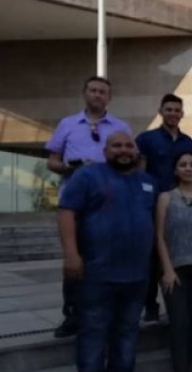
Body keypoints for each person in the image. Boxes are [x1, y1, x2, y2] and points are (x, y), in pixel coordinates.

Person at [58, 131, 156, 371]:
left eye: (128, 146)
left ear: (136, 151)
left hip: (136, 278)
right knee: (93, 337)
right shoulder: (87, 176)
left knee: (127, 339)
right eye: (117, 146)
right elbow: (66, 212)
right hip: (96, 276)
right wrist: (71, 254)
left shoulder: (148, 182)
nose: (123, 150)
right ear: (105, 151)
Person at [45, 76, 132, 338]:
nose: (97, 95)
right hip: (76, 202)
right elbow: (52, 161)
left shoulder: (120, 126)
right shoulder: (68, 124)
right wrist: (70, 167)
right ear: (84, 94)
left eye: (103, 92)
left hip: (110, 201)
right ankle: (72, 314)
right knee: (74, 258)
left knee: (108, 256)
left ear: (109, 97)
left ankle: (108, 309)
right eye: (93, 91)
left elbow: (131, 158)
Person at [136, 93, 192, 322]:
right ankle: (150, 303)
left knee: (179, 251)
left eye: (177, 110)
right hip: (154, 204)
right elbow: (140, 173)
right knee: (153, 256)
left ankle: (182, 299)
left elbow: (191, 171)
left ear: (182, 114)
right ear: (161, 111)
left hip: (181, 205)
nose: (173, 114)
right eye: (169, 109)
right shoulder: (146, 139)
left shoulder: (188, 142)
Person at [156, 152, 192, 372]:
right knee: (179, 324)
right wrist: (167, 270)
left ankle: (187, 365)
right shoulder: (166, 198)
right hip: (176, 271)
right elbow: (160, 236)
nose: (188, 168)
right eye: (183, 165)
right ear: (175, 170)